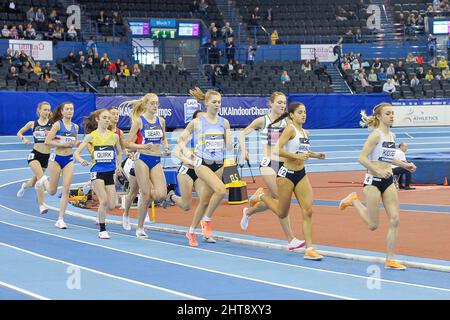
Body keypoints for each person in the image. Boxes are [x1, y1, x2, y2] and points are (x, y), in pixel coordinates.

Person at [339, 103, 417, 270]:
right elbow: (361, 158)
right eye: (388, 114)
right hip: (373, 181)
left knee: (395, 219)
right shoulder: (375, 135)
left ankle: (390, 259)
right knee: (373, 225)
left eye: (393, 113)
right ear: (380, 117)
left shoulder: (392, 136)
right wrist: (377, 171)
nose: (392, 116)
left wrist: (404, 165)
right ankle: (353, 200)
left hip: (388, 181)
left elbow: (386, 158)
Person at [238, 93, 306, 251]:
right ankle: (291, 239)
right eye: (279, 102)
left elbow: (298, 137)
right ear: (271, 103)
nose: (282, 105)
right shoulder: (263, 121)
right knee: (281, 199)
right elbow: (242, 133)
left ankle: (249, 211)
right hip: (268, 163)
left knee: (272, 201)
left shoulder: (288, 121)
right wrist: (244, 150)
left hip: (285, 164)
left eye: (284, 102)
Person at [265, 102, 326, 260]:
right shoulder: (290, 129)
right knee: (282, 212)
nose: (303, 115)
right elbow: (277, 149)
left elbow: (303, 151)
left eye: (305, 112)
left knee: (308, 210)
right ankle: (262, 197)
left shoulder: (305, 132)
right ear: (292, 115)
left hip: (301, 173)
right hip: (286, 174)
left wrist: (316, 155)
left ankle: (310, 248)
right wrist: (297, 157)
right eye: (300, 112)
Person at [177, 88, 233, 246]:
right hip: (202, 164)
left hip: (219, 163)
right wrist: (187, 152)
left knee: (205, 202)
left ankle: (191, 232)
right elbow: (181, 140)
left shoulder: (224, 122)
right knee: (221, 190)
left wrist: (229, 141)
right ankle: (207, 221)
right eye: (214, 102)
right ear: (206, 103)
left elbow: (228, 145)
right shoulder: (197, 122)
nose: (217, 104)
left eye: (219, 102)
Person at [124, 93, 170, 239]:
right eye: (152, 103)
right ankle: (140, 227)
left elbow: (163, 138)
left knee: (161, 194)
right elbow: (128, 144)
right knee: (145, 193)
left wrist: (166, 147)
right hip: (142, 159)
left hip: (156, 159)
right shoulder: (139, 122)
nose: (155, 106)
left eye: (157, 103)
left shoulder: (161, 121)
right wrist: (143, 146)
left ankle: (168, 197)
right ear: (145, 105)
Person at [74, 109, 123, 239]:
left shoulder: (114, 136)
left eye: (109, 118)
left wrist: (119, 165)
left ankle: (100, 214)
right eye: (105, 118)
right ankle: (102, 230)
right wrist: (81, 160)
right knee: (104, 200)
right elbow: (76, 153)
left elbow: (119, 152)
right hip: (97, 171)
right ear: (97, 120)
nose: (108, 120)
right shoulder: (91, 136)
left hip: (110, 172)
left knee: (112, 205)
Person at [35, 102, 80, 229]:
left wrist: (76, 143)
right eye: (67, 109)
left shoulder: (75, 127)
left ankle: (60, 219)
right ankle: (43, 181)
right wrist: (62, 144)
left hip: (69, 159)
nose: (70, 111)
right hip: (56, 159)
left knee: (66, 189)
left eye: (72, 109)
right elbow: (47, 141)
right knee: (52, 191)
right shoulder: (57, 125)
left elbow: (74, 141)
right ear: (62, 111)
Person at [164, 110, 206, 212]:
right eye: (199, 119)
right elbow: (176, 153)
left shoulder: (206, 136)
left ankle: (204, 225)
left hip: (199, 171)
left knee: (205, 201)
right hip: (187, 170)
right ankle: (171, 196)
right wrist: (188, 160)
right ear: (193, 121)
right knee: (186, 206)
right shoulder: (189, 136)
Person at [16, 102, 53, 215]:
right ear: (39, 110)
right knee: (41, 179)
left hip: (46, 157)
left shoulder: (53, 125)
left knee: (34, 182)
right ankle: (41, 205)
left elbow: (59, 137)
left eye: (48, 110)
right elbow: (19, 132)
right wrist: (24, 139)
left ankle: (24, 186)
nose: (47, 112)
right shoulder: (33, 123)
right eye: (45, 110)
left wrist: (52, 135)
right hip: (35, 155)